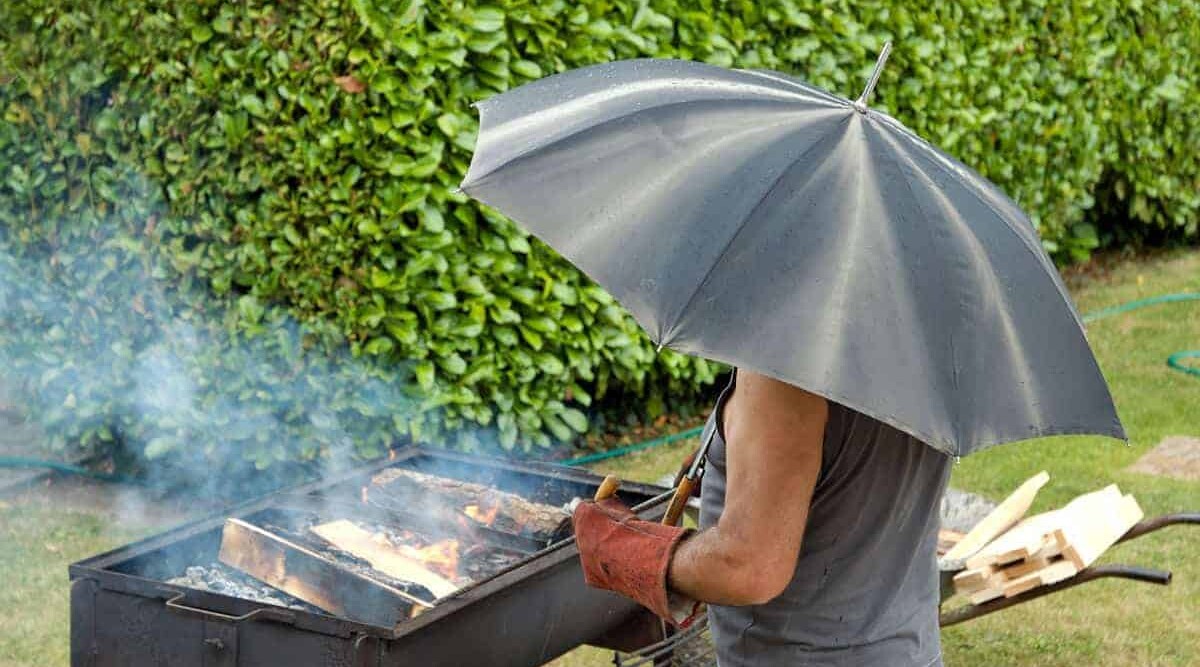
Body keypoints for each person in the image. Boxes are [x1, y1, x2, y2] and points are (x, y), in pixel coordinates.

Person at [572, 368, 952, 666]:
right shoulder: (921, 353)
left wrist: (624, 549)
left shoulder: (784, 368)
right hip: (909, 650)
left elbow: (748, 567)